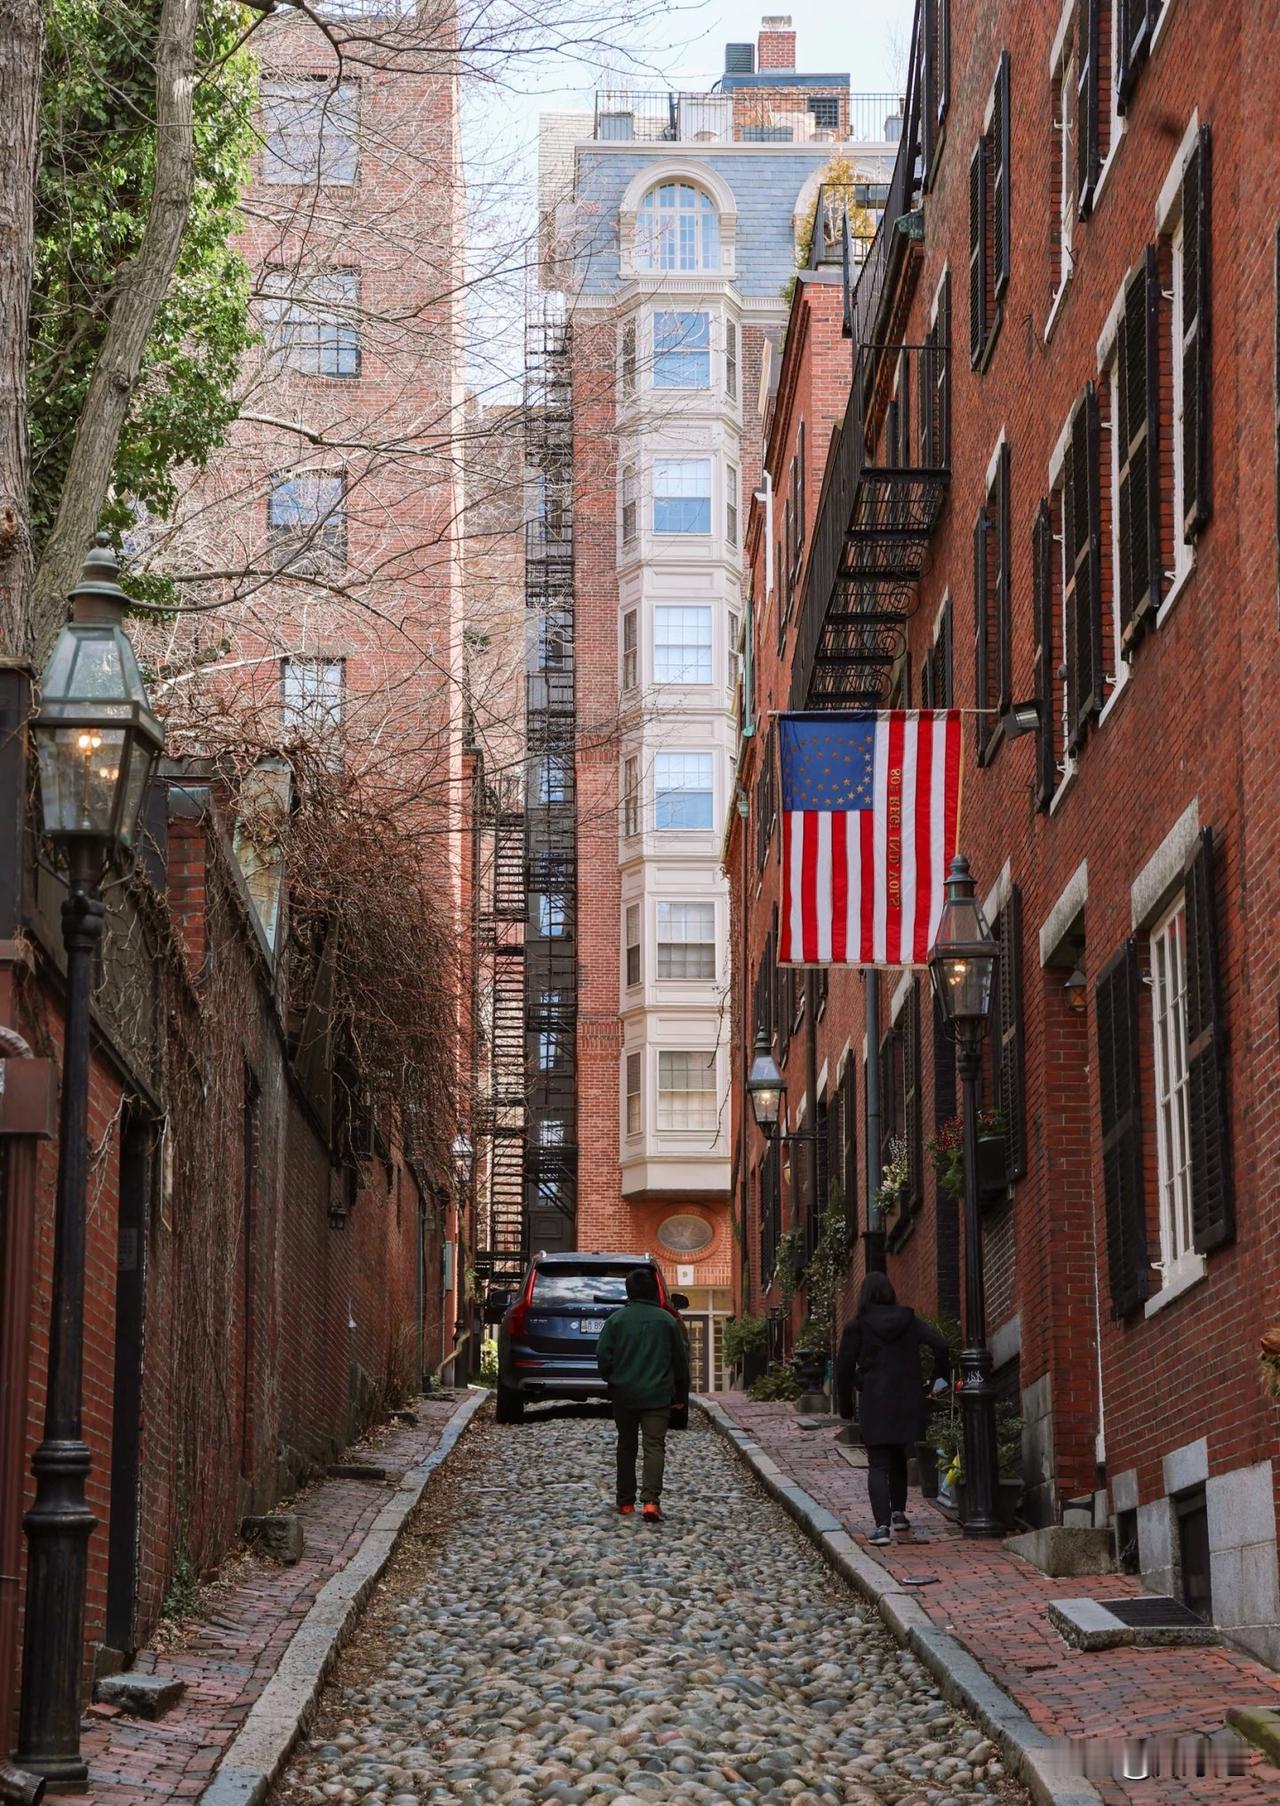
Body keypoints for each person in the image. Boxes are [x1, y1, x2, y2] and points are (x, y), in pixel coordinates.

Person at [835, 1273, 950, 1546]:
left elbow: (843, 1368)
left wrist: (847, 1404)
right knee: (899, 1454)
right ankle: (899, 1513)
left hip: (876, 1399)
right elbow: (941, 1345)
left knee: (878, 1463)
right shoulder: (909, 1321)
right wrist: (938, 1380)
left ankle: (882, 1526)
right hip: (908, 1399)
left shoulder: (858, 1326)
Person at [595, 1266, 690, 1522]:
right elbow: (681, 1361)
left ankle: (625, 1502)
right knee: (654, 1445)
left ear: (629, 1292)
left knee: (626, 1445)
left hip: (624, 1393)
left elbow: (603, 1356)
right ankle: (650, 1501)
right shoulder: (668, 1321)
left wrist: (611, 1378)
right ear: (655, 1291)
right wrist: (681, 1394)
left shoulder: (616, 1320)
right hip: (658, 1394)